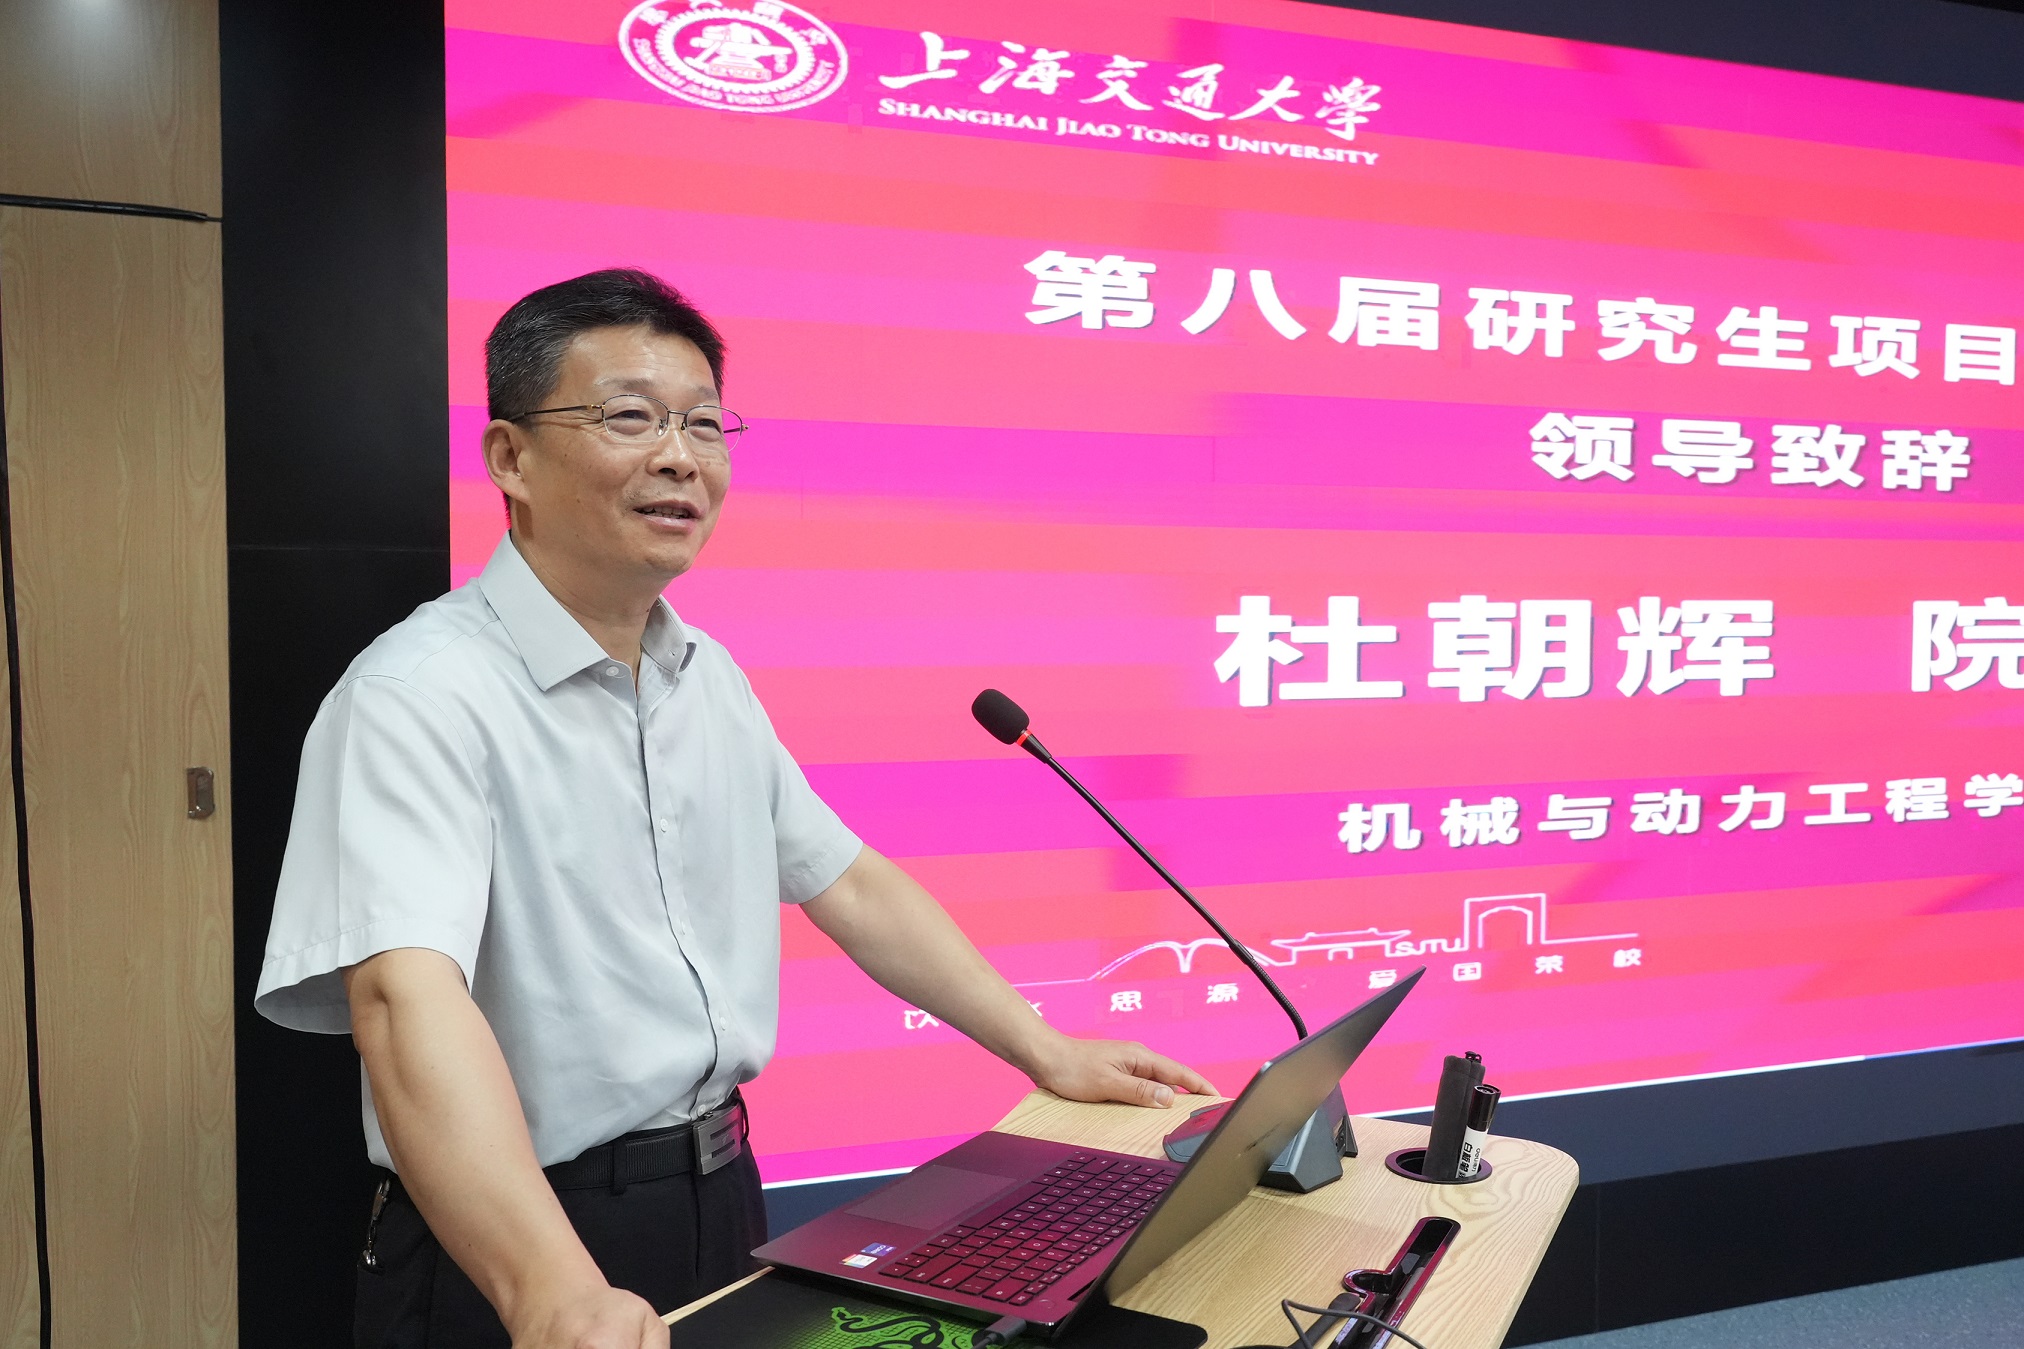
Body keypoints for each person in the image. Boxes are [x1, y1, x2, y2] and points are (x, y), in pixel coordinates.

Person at [254, 268, 1213, 1349]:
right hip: (515, 1238)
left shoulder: (702, 674)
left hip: (717, 1193)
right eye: (629, 417)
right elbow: (403, 1001)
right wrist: (549, 1288)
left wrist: (1045, 1048)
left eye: (704, 424)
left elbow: (848, 883)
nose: (680, 456)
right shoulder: (417, 695)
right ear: (509, 458)